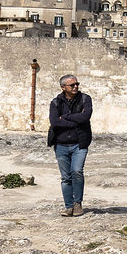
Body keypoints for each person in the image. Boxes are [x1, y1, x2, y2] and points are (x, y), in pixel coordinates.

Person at [46, 74, 95, 216]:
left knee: (77, 171)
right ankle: (69, 206)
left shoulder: (85, 99)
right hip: (61, 144)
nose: (76, 87)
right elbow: (55, 122)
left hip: (79, 143)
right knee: (66, 177)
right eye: (72, 85)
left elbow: (85, 117)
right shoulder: (55, 102)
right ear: (63, 87)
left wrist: (66, 116)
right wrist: (76, 120)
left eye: (77, 84)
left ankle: (77, 203)